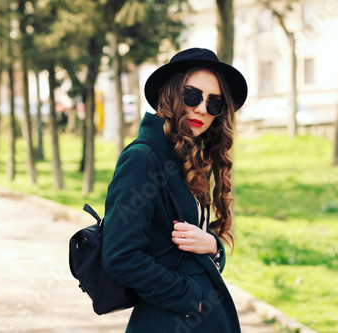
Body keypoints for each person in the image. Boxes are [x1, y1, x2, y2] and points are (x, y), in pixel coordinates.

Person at [102, 48, 248, 333]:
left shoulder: (186, 159)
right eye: (192, 95)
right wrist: (194, 298)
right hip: (167, 322)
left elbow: (191, 248)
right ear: (170, 93)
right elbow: (120, 257)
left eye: (214, 103)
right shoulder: (143, 159)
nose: (202, 109)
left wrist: (214, 246)